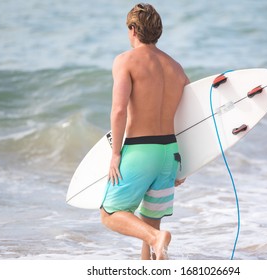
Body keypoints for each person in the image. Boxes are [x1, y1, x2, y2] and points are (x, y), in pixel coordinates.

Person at [100, 3, 189, 260]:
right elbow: (190, 118)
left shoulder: (125, 61)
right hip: (170, 152)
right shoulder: (176, 67)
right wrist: (186, 164)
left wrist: (116, 154)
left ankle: (155, 239)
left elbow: (118, 111)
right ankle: (153, 250)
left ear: (133, 29)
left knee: (109, 214)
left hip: (141, 149)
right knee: (150, 222)